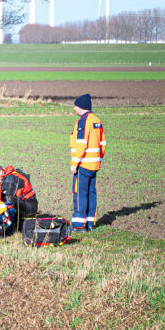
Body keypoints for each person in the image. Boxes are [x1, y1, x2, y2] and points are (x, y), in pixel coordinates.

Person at [70, 93, 106, 231]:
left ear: (82, 107)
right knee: (91, 193)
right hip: (94, 165)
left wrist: (74, 163)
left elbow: (81, 144)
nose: (74, 109)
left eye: (76, 106)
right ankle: (91, 223)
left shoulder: (83, 122)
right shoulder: (97, 121)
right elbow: (103, 144)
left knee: (80, 193)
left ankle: (79, 225)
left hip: (83, 165)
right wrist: (98, 160)